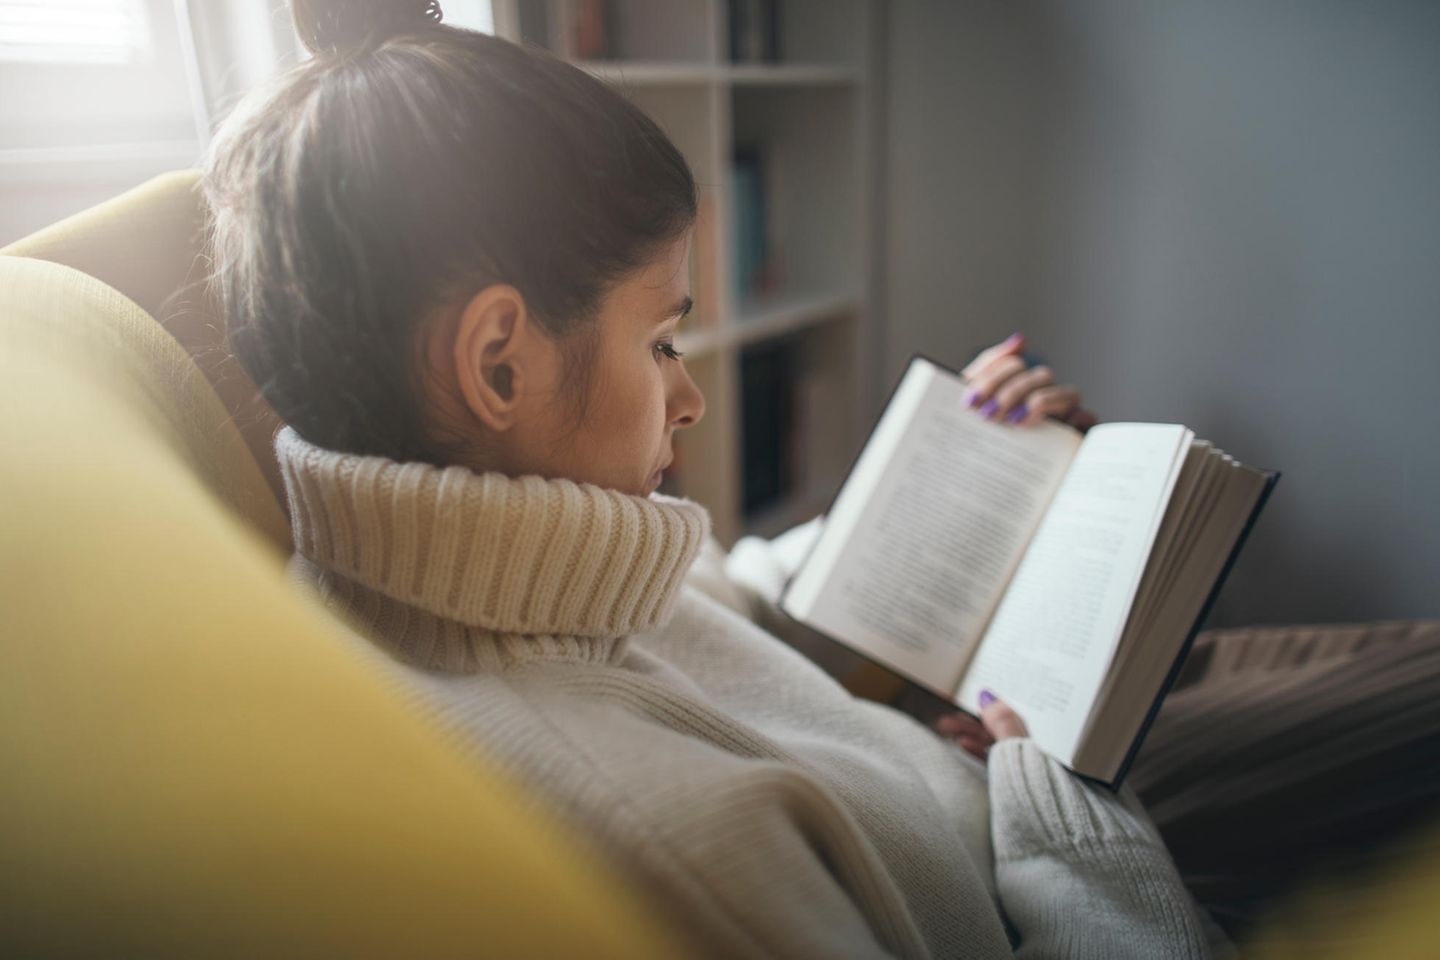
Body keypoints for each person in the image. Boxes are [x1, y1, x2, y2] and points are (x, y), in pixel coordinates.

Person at [202, 2, 1439, 956]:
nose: (690, 397)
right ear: (497, 363)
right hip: (1065, 834)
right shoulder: (673, 849)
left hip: (980, 752)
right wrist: (1069, 830)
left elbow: (712, 607)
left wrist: (964, 481)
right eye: (662, 339)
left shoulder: (494, 567)